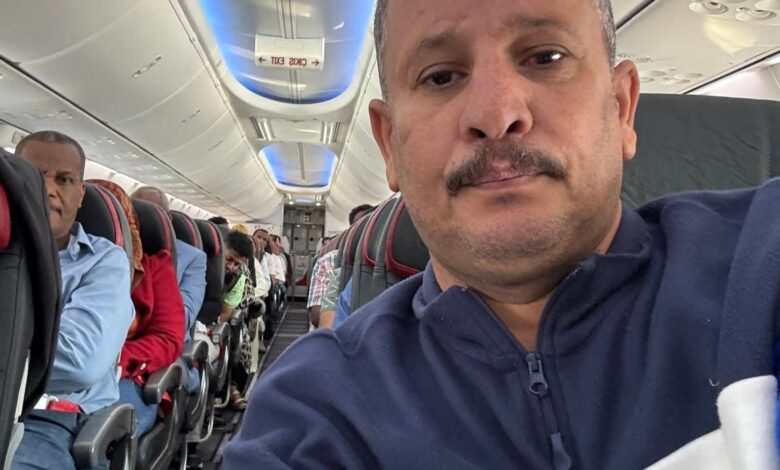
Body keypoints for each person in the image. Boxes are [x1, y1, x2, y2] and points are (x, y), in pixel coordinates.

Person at [225, 0, 780, 468]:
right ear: (390, 144)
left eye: (545, 57)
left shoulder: (759, 267)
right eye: (441, 76)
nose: (496, 114)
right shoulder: (317, 411)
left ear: (621, 108)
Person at [13, 131, 134, 470]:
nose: (48, 189)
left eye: (63, 180)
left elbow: (79, 362)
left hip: (46, 420)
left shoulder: (103, 262)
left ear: (80, 195)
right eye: (34, 176)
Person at [132, 186, 207, 395]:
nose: (141, 222)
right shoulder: (115, 249)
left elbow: (183, 317)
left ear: (167, 219)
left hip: (167, 351)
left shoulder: (192, 258)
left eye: (150, 215)